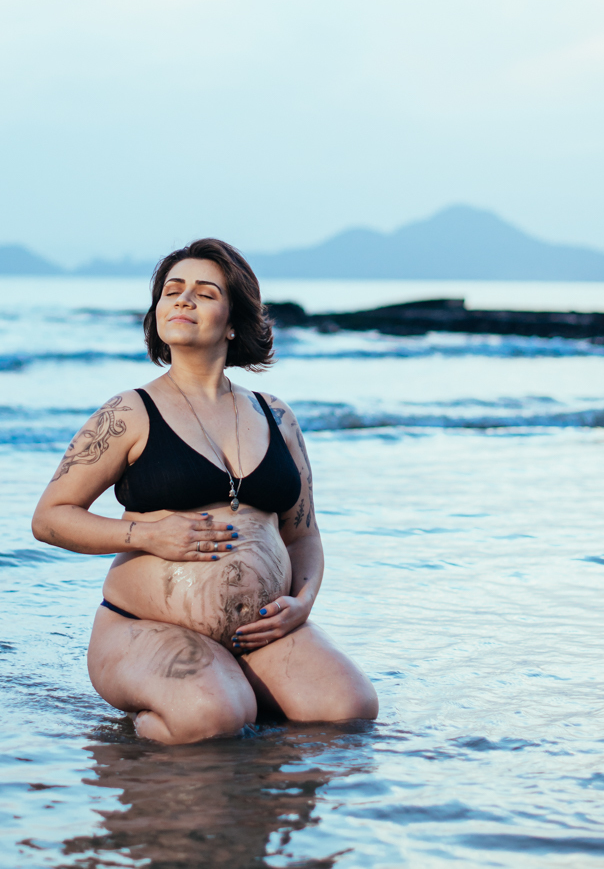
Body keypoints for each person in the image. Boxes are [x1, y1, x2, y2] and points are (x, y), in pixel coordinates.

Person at [32, 238, 378, 744]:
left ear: (234, 320)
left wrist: (303, 602)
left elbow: (304, 536)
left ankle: (241, 697)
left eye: (204, 292)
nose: (183, 300)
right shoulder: (128, 413)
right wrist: (147, 535)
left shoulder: (275, 416)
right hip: (143, 628)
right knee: (214, 719)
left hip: (261, 634)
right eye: (172, 291)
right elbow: (50, 518)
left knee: (350, 710)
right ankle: (147, 727)